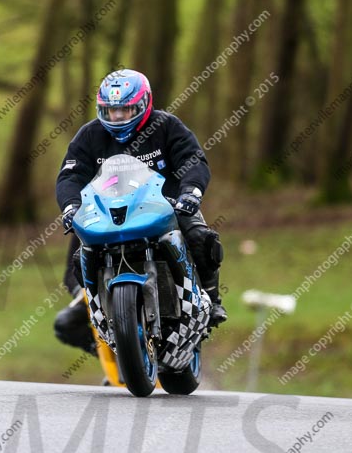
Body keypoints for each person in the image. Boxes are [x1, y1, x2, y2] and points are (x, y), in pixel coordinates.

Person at [54, 68, 227, 352]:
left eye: (126, 110)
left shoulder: (167, 126)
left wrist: (190, 193)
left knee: (199, 235)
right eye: (110, 111)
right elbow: (70, 175)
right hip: (108, 213)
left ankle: (212, 299)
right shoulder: (89, 135)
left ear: (145, 104)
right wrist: (71, 206)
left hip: (167, 207)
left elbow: (193, 159)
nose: (117, 117)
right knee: (79, 251)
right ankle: (95, 310)